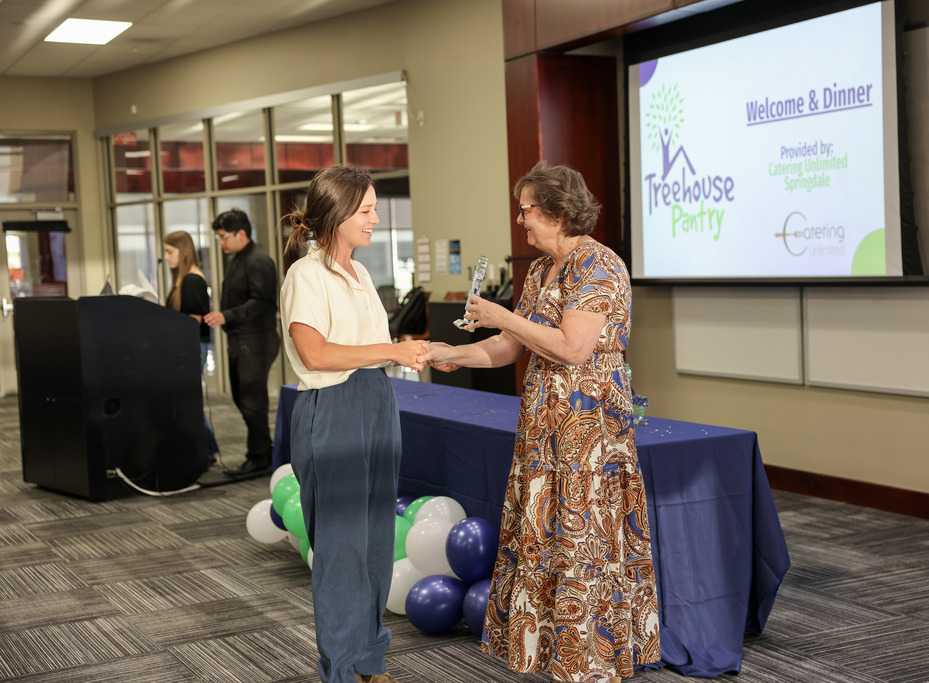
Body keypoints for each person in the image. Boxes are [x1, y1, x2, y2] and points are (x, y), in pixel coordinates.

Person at [421, 162, 660, 683]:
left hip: (588, 427)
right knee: (549, 533)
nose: (520, 219)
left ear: (556, 212)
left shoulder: (599, 264)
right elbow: (511, 345)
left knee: (582, 536)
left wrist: (502, 316)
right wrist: (453, 354)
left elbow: (572, 348)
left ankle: (589, 659)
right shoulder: (539, 270)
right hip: (544, 424)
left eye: (526, 209)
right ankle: (557, 651)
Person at [279, 164, 426, 683]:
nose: (375, 219)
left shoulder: (360, 274)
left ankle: (369, 660)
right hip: (332, 407)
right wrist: (392, 350)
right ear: (338, 214)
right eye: (366, 210)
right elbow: (315, 354)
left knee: (374, 543)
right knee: (341, 549)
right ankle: (341, 670)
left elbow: (368, 349)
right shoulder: (305, 275)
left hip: (375, 400)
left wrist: (408, 352)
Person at [204, 209, 280, 476]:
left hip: (256, 341)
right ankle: (263, 451)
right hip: (241, 339)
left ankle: (259, 457)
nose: (221, 242)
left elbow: (261, 303)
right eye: (219, 237)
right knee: (242, 398)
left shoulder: (258, 261)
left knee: (252, 401)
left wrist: (226, 315)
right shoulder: (238, 258)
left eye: (224, 237)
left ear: (242, 234)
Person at [162, 230, 219, 464]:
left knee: (188, 399)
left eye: (169, 252)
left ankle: (204, 450)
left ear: (183, 252)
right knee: (188, 399)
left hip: (192, 346)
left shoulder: (192, 280)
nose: (166, 257)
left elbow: (194, 319)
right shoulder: (183, 280)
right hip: (188, 346)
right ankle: (205, 449)